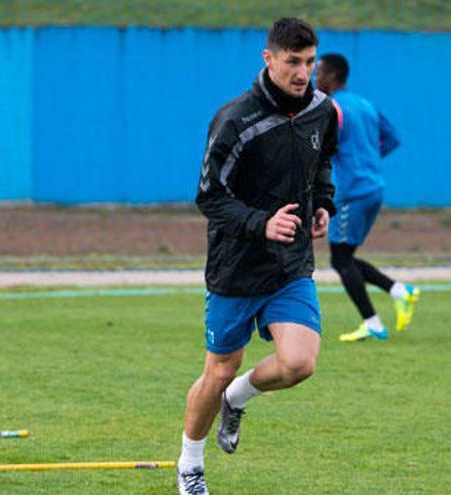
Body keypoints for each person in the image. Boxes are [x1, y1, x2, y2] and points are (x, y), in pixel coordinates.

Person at [177, 17, 338, 495]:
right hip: (236, 267)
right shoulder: (235, 119)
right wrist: (260, 222)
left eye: (309, 62)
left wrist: (324, 204)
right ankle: (189, 463)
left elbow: (321, 162)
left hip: (289, 265)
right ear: (268, 59)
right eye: (292, 62)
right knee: (218, 367)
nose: (302, 73)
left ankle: (238, 396)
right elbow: (209, 197)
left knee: (299, 363)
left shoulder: (323, 111)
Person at [313, 53, 419, 342]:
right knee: (344, 257)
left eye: (319, 73)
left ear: (333, 76)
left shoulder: (332, 107)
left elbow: (321, 148)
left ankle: (373, 322)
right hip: (373, 187)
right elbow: (393, 138)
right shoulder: (365, 104)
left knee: (341, 260)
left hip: (353, 192)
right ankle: (398, 291)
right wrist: (369, 160)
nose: (315, 78)